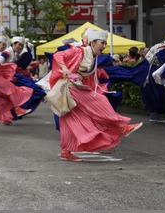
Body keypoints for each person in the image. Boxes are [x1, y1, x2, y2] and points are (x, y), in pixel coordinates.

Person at [50, 29, 144, 161]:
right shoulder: (79, 51)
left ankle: (66, 151)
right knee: (99, 100)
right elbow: (58, 55)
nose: (104, 45)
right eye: (102, 42)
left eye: (105, 43)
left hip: (74, 88)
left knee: (70, 121)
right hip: (70, 88)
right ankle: (121, 127)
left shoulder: (94, 57)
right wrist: (65, 69)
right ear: (93, 43)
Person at [143, 35, 165, 122]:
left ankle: (154, 114)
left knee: (154, 92)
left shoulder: (158, 45)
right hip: (157, 71)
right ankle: (154, 114)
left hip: (151, 70)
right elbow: (164, 61)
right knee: (158, 92)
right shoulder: (164, 48)